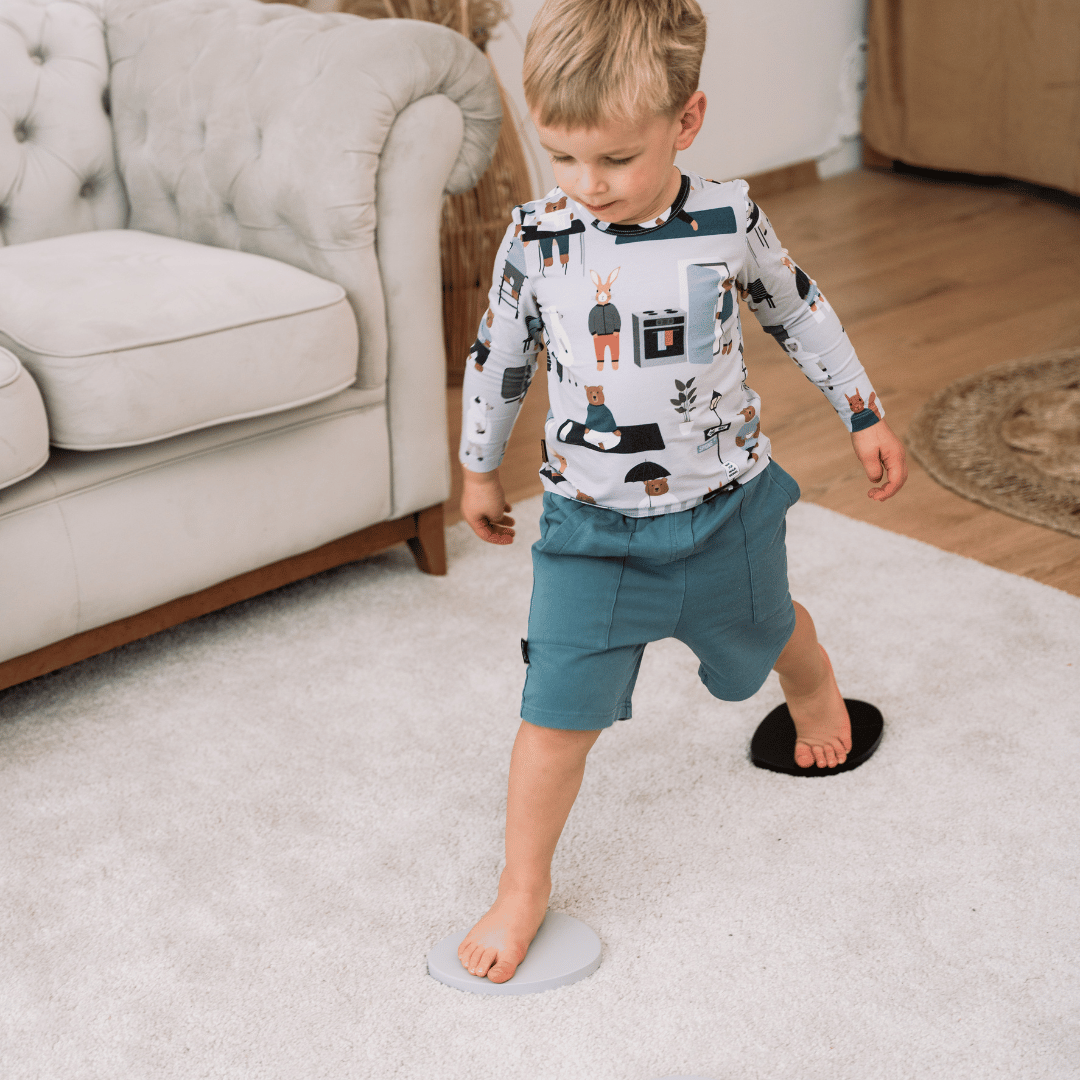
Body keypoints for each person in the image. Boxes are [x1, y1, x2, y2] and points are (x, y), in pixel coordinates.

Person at [455, 0, 907, 984]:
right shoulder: (538, 238)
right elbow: (500, 356)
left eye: (614, 159)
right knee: (553, 711)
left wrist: (864, 412)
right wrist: (477, 462)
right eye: (562, 157)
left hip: (725, 509)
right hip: (589, 531)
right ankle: (523, 883)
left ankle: (812, 683)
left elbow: (802, 313)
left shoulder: (727, 218)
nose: (587, 186)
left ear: (685, 122)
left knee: (767, 627)